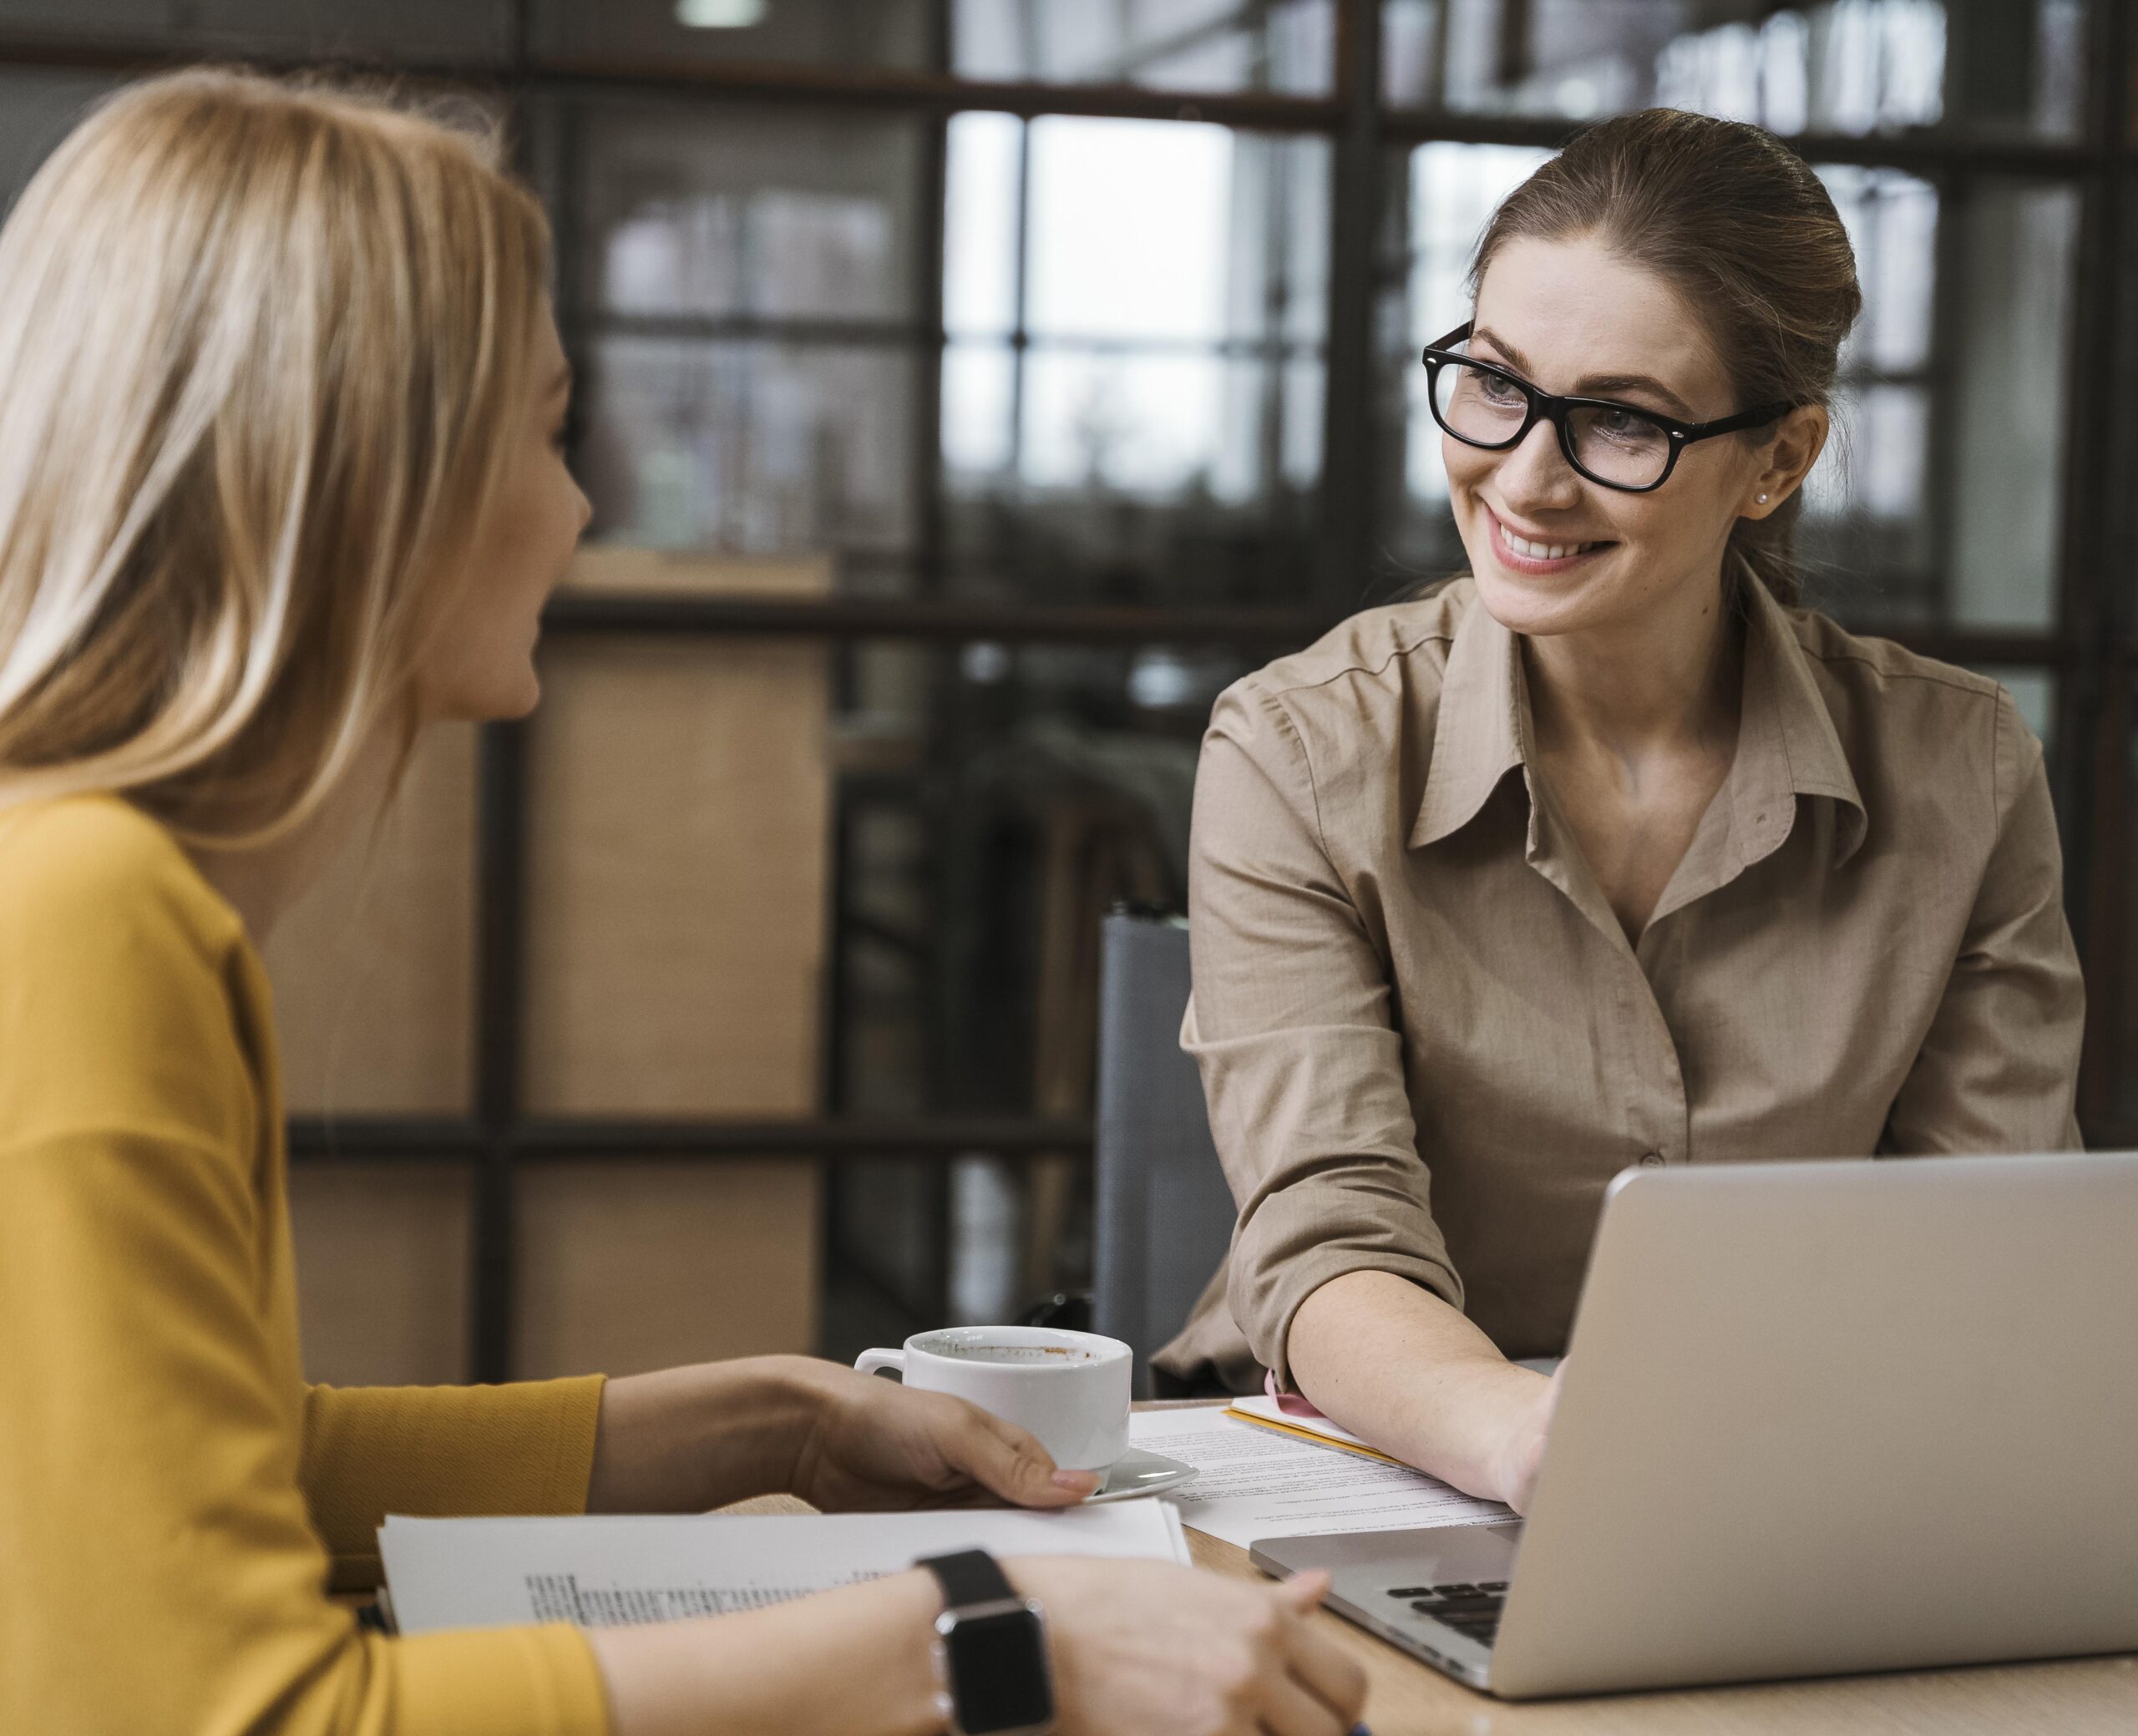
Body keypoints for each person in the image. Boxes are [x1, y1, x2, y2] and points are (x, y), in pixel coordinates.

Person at [0, 71, 1367, 1736]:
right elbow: (228, 1710)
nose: (580, 507)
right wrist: (990, 1633)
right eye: (546, 425)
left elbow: (237, 1468)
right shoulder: (83, 922)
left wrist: (770, 1421)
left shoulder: (78, 878)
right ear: (376, 481)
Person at [1154, 109, 2085, 1511]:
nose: (1525, 474)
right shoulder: (1297, 750)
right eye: (1493, 383)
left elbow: (1989, 1258)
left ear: (1777, 460)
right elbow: (1332, 1240)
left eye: (1621, 421)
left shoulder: (1958, 767)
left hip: (1790, 1485)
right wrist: (1558, 1454)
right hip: (1368, 1465)